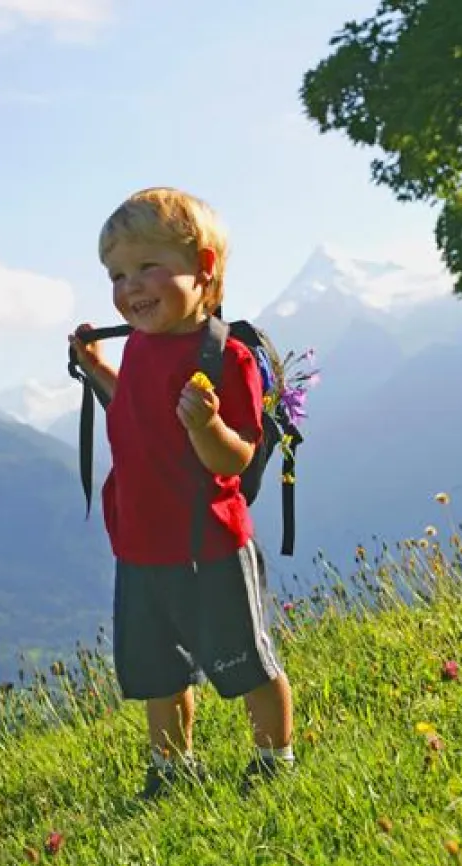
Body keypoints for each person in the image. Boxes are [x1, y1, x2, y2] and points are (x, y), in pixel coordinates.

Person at [68, 187, 294, 798]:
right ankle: (172, 769)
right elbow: (135, 414)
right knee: (157, 673)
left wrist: (208, 425)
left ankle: (276, 760)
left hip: (208, 544)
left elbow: (236, 458)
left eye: (147, 267)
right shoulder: (139, 346)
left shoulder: (225, 357)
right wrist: (97, 369)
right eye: (117, 274)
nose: (129, 287)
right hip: (140, 543)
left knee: (246, 661)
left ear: (205, 268)